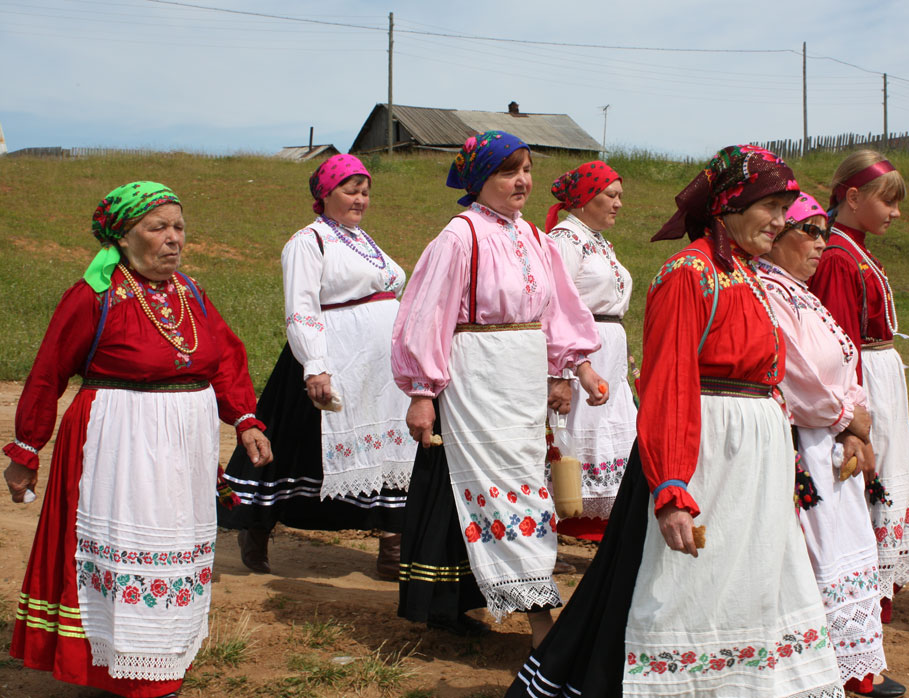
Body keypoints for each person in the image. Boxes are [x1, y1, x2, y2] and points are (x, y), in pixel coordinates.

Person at [508, 145, 844, 698]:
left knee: (752, 577)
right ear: (731, 202)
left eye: (787, 209)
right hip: (708, 454)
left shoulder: (747, 274)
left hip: (750, 463)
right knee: (685, 586)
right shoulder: (688, 274)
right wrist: (670, 486)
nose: (782, 222)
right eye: (771, 206)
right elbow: (667, 386)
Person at [3, 181, 272, 698]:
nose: (173, 238)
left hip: (184, 443)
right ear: (124, 237)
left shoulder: (191, 293)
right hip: (119, 442)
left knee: (176, 547)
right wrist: (27, 449)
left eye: (179, 227)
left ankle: (163, 656)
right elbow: (48, 372)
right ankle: (114, 666)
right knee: (124, 546)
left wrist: (246, 419)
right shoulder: (95, 295)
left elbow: (226, 359)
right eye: (158, 228)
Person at [392, 131, 608, 647]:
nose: (523, 181)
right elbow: (426, 314)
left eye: (527, 169)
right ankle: (540, 623)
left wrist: (574, 369)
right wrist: (423, 391)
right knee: (508, 492)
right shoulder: (460, 235)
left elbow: (557, 310)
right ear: (478, 179)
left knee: (524, 484)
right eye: (509, 171)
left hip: (522, 375)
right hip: (478, 373)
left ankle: (474, 599)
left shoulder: (533, 236)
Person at [218, 154, 416, 579]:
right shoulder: (309, 242)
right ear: (324, 194)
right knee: (293, 447)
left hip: (378, 370)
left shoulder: (362, 240)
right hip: (330, 357)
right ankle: (255, 525)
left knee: (391, 445)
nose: (360, 198)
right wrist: (316, 366)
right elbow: (302, 309)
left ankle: (392, 546)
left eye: (365, 191)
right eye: (350, 190)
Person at [758, 192, 902, 698]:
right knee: (815, 553)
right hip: (803, 444)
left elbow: (843, 363)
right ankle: (822, 663)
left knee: (846, 545)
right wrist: (848, 418)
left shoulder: (802, 293)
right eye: (809, 231)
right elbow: (798, 380)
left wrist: (856, 426)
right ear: (775, 236)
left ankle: (854, 661)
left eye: (823, 231)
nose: (821, 243)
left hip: (831, 439)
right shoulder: (769, 293)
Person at [808, 151, 909, 628]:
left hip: (882, 381)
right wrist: (852, 423)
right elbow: (840, 344)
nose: (896, 212)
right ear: (854, 197)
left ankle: (870, 621)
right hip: (865, 385)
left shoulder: (853, 251)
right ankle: (859, 622)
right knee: (867, 494)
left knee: (884, 494)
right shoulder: (838, 256)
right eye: (889, 201)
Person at [544, 161, 636, 542]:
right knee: (573, 432)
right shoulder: (566, 238)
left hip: (607, 351)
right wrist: (562, 372)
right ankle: (565, 520)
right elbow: (555, 306)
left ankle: (600, 526)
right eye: (610, 195)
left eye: (619, 197)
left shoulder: (597, 240)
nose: (617, 204)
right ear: (584, 198)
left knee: (614, 429)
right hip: (582, 351)